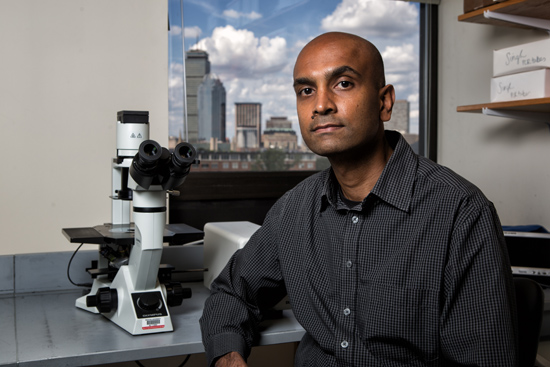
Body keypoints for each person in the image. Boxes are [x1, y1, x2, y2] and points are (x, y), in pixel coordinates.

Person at [200, 32, 517, 367]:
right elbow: (232, 292)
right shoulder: (294, 209)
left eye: (344, 83)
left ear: (384, 102)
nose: (321, 104)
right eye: (306, 90)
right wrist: (228, 357)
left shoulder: (460, 212)